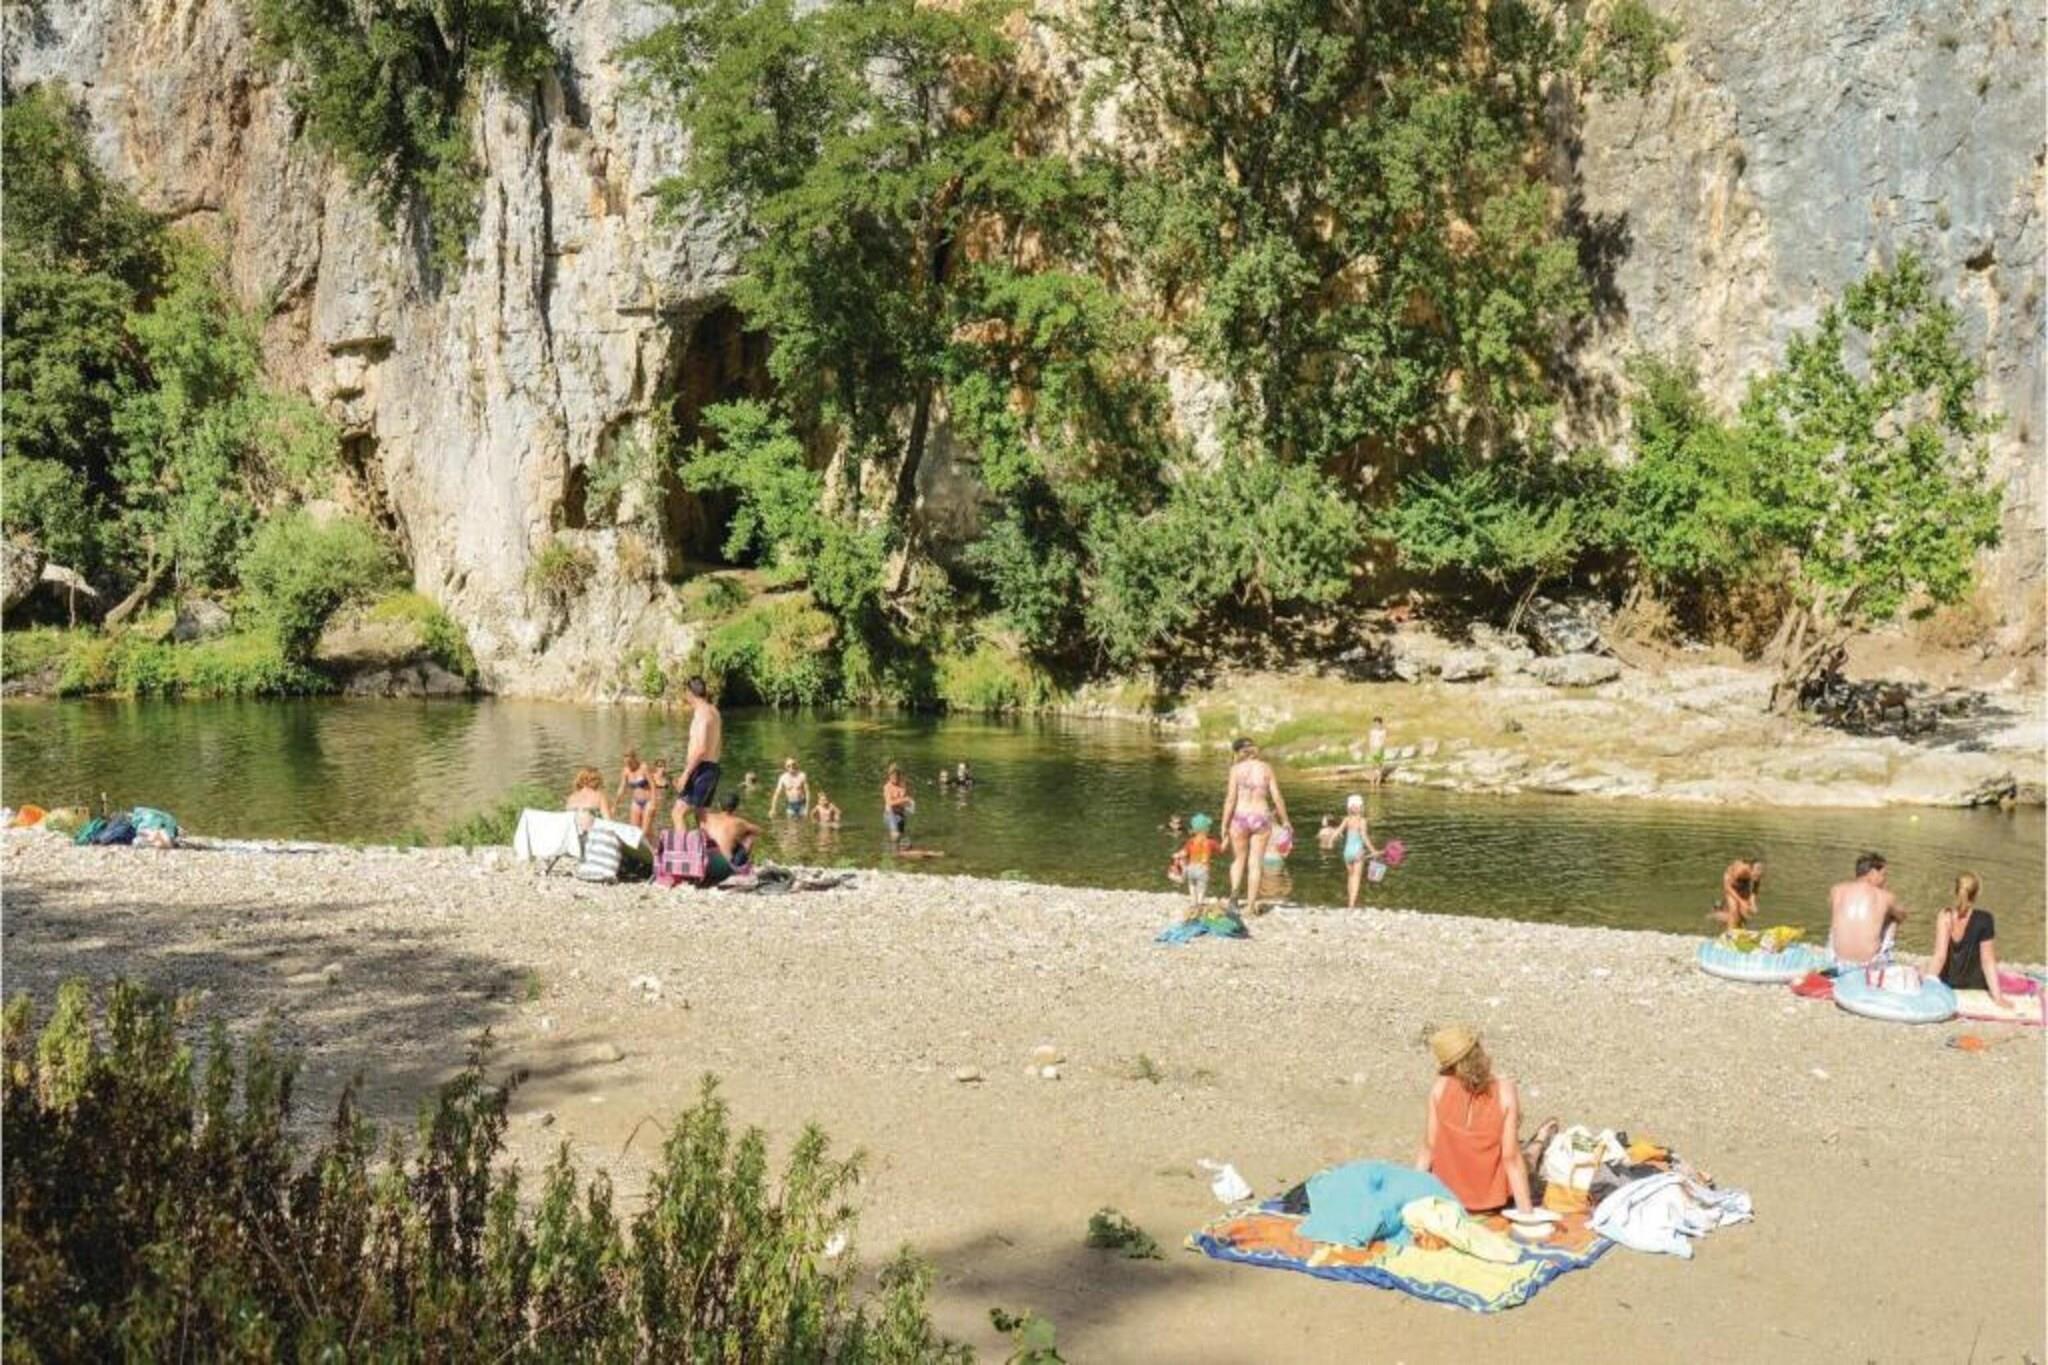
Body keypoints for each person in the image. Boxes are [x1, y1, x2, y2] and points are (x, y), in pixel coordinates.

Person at [1414, 1026, 1545, 1216]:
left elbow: (1429, 1147)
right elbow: (1511, 1159)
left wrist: (1412, 1198)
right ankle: (1539, 1142)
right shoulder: (1505, 1091)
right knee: (1524, 1160)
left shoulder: (1439, 1088)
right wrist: (1527, 1214)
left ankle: (1538, 1143)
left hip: (1446, 1198)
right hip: (1490, 1203)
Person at [1219, 737, 1290, 918]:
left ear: (1237, 753)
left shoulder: (1235, 770)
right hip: (1261, 817)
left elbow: (1230, 799)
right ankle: (1250, 906)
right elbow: (1277, 796)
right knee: (1255, 862)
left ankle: (1234, 898)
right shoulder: (1266, 768)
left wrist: (1224, 823)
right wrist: (1285, 821)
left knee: (1238, 860)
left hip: (1240, 817)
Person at [1928, 872, 2011, 1007]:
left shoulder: (1945, 915)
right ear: (1977, 894)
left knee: (1923, 969)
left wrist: (1927, 986)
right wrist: (1998, 997)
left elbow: (1939, 957)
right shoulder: (1985, 919)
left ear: (1955, 891)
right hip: (1974, 985)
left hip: (1948, 982)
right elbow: (1987, 961)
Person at [1828, 851, 1909, 966]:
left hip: (1836, 959)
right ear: (1872, 873)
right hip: (1868, 964)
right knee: (1893, 918)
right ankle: (1885, 962)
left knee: (1840, 911)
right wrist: (1885, 895)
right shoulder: (1885, 896)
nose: (1885, 880)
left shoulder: (1836, 890)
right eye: (1883, 875)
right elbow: (1902, 916)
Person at [673, 677, 723, 830]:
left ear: (689, 692)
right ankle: (706, 845)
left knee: (678, 813)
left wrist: (686, 774)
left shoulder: (702, 714)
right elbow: (720, 742)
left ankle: (683, 846)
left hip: (700, 768)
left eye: (685, 692)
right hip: (713, 767)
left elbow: (701, 748)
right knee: (701, 815)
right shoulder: (714, 711)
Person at [699, 795, 760, 887]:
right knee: (750, 836)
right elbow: (758, 830)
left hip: (705, 864)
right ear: (736, 807)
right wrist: (739, 835)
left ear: (719, 805)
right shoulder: (739, 822)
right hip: (724, 868)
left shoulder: (706, 817)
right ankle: (741, 868)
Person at [1337, 794, 1380, 910]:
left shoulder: (1346, 819)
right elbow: (1364, 837)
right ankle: (1352, 904)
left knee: (1350, 876)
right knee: (1356, 878)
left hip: (1347, 852)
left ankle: (1350, 902)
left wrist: (1330, 841)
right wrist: (1373, 850)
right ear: (1360, 807)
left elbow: (1338, 832)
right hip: (1358, 852)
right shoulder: (1362, 821)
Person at [1176, 814, 1223, 915]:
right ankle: (1200, 902)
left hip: (1191, 868)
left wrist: (1177, 855)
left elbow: (1183, 853)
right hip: (1202, 869)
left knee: (1192, 885)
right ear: (1206, 829)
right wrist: (1227, 840)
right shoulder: (1210, 842)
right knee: (1202, 886)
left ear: (1194, 830)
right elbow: (1221, 849)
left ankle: (1193, 903)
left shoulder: (1191, 842)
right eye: (1208, 827)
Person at [1708, 857, 1765, 932]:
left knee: (1744, 912)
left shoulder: (1757, 874)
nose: (1758, 874)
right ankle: (1729, 932)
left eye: (1760, 872)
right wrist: (1741, 901)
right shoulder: (1740, 870)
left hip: (1744, 882)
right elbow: (1727, 887)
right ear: (1750, 869)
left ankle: (1739, 930)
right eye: (1756, 873)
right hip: (1730, 883)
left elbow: (1755, 889)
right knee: (1734, 910)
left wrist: (1753, 903)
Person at [615, 748, 656, 837]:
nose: (628, 765)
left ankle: (653, 844)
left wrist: (653, 803)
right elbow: (621, 788)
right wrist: (615, 804)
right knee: (634, 831)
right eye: (626, 763)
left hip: (648, 801)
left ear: (634, 758)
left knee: (645, 832)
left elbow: (652, 785)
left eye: (630, 762)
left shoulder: (643, 767)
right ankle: (640, 845)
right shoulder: (626, 771)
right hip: (636, 802)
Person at [565, 766, 612, 832]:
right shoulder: (599, 795)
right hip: (590, 832)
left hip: (572, 832)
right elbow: (608, 820)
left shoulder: (571, 797)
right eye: (595, 779)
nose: (599, 782)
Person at [882, 764, 913, 845]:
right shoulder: (887, 787)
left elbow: (907, 801)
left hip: (900, 815)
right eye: (892, 776)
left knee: (901, 836)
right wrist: (904, 799)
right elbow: (890, 803)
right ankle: (892, 849)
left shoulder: (903, 786)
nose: (894, 778)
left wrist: (909, 804)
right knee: (895, 835)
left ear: (899, 776)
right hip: (890, 815)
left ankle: (897, 848)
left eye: (896, 776)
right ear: (889, 776)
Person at [1367, 716, 1389, 789]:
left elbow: (1383, 741)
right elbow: (1371, 740)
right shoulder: (1372, 731)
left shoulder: (1383, 731)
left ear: (1380, 723)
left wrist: (1381, 748)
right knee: (1372, 765)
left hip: (1380, 749)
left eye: (1377, 723)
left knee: (1380, 765)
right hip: (1373, 749)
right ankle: (1372, 781)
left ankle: (1378, 781)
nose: (1376, 725)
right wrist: (1371, 749)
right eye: (1375, 723)